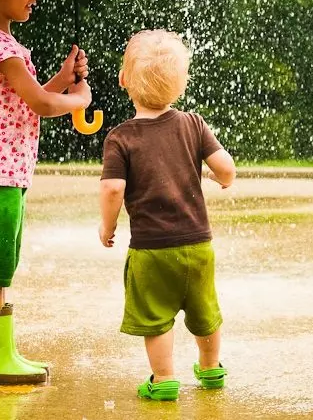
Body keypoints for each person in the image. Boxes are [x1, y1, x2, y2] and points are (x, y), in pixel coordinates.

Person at [0, 0, 92, 384]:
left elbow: (29, 96)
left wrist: (63, 77)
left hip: (3, 176)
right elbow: (41, 103)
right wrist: (79, 101)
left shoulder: (0, 42)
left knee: (1, 266)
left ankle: (1, 352)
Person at [99, 29, 236, 401]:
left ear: (124, 80)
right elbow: (225, 166)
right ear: (181, 84)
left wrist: (106, 226)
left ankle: (164, 379)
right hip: (198, 244)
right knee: (204, 309)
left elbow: (113, 189)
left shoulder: (120, 138)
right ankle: (210, 370)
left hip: (150, 250)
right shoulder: (193, 123)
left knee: (156, 316)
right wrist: (220, 177)